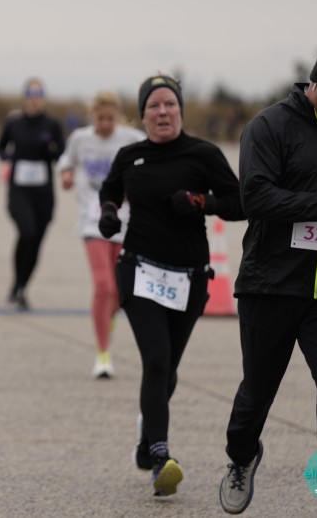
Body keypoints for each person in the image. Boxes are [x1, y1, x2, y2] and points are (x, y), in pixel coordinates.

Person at [219, 34, 317, 518]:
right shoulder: (268, 126)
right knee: (256, 394)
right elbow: (255, 198)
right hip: (271, 285)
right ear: (316, 83)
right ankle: (242, 456)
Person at [99, 74, 243, 497]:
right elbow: (110, 190)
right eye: (154, 106)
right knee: (157, 362)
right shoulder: (130, 155)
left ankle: (147, 440)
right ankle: (162, 458)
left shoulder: (203, 154)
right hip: (139, 271)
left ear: (180, 110)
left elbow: (240, 202)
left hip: (190, 279)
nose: (163, 112)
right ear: (142, 115)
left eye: (170, 105)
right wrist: (109, 212)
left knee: (168, 371)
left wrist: (202, 202)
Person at [57, 90, 144, 379]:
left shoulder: (131, 138)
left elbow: (151, 162)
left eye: (110, 119)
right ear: (92, 117)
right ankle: (103, 354)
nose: (105, 124)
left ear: (117, 117)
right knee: (104, 286)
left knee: (119, 291)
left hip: (124, 222)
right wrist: (66, 175)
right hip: (92, 221)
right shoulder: (80, 139)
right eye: (100, 119)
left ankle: (108, 321)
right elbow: (66, 161)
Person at [0, 78, 65, 310]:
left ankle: (21, 287)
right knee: (27, 232)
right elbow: (0, 148)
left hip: (43, 192)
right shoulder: (15, 123)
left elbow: (62, 154)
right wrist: (9, 157)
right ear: (25, 97)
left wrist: (50, 150)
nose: (35, 99)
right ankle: (17, 283)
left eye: (38, 95)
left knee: (37, 240)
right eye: (31, 94)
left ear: (43, 98)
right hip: (19, 190)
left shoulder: (52, 125)